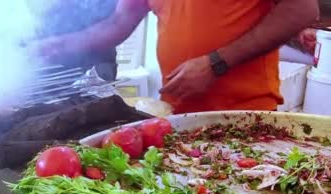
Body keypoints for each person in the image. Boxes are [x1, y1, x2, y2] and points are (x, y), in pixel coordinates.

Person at [34, 0, 320, 114]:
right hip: (175, 113)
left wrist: (216, 63)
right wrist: (52, 47)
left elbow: (302, 10)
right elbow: (117, 23)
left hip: (244, 114)